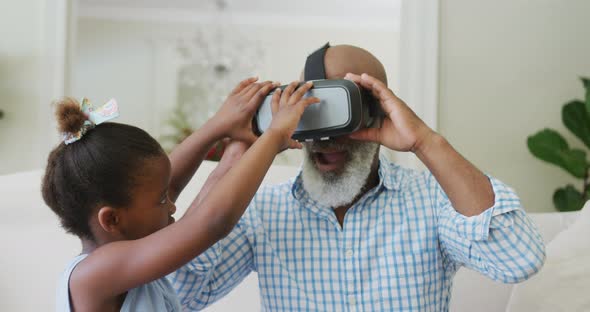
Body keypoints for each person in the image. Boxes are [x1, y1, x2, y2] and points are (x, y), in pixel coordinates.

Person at [170, 45, 546, 311]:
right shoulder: (263, 212)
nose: (323, 137)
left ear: (378, 108)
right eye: (308, 113)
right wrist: (236, 152)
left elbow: (518, 260)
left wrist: (425, 142)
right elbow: (181, 295)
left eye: (338, 110)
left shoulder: (432, 199)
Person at [42, 77, 319, 311]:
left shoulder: (128, 246)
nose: (172, 205)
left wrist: (224, 131)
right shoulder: (94, 274)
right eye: (163, 200)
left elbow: (169, 185)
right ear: (112, 220)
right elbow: (211, 223)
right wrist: (274, 136)